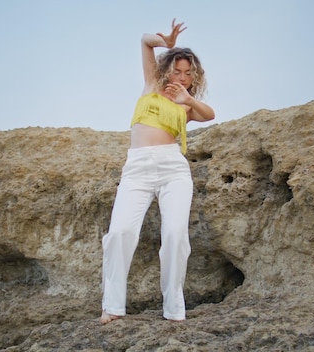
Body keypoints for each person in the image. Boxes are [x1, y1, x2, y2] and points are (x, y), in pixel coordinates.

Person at [100, 19, 215, 324]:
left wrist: (187, 99)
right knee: (119, 233)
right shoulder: (152, 83)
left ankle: (174, 309)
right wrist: (166, 40)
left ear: (194, 77)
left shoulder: (186, 105)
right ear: (167, 69)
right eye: (177, 70)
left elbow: (210, 114)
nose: (182, 76)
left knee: (176, 235)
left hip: (172, 168)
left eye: (188, 73)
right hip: (137, 167)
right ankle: (112, 305)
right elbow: (144, 41)